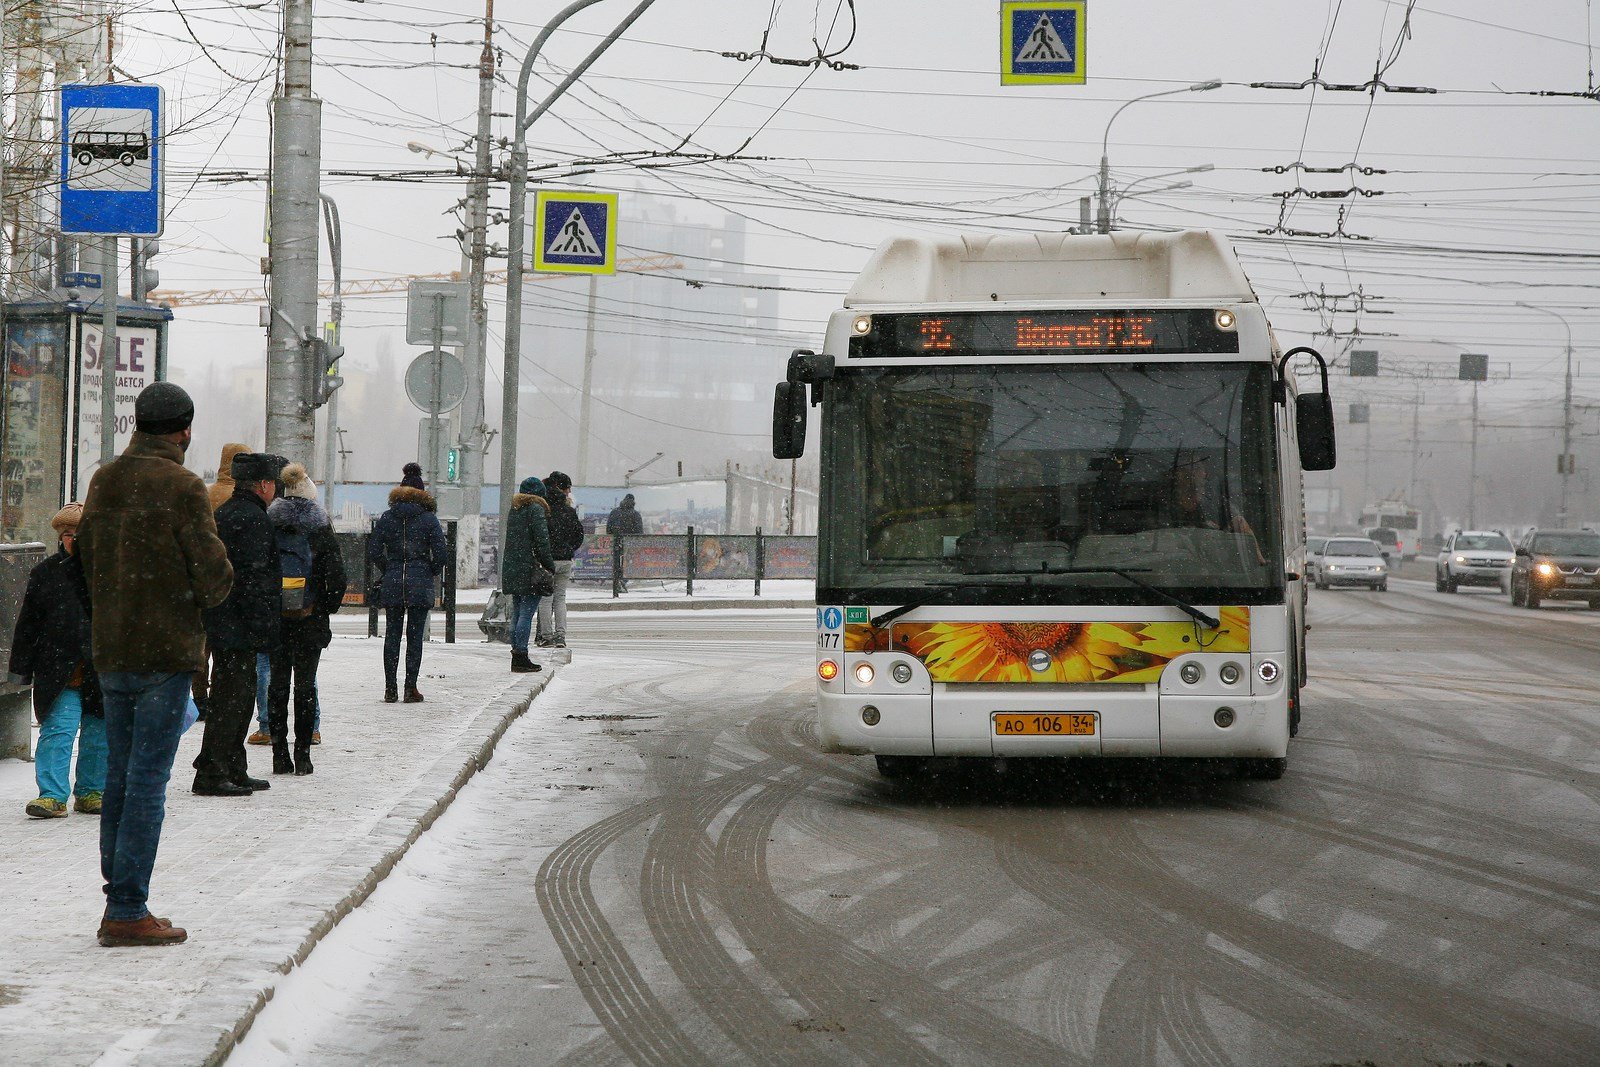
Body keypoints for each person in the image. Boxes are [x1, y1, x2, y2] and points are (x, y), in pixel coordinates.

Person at [77, 382, 232, 947]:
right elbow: (213, 580)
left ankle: (117, 893)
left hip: (113, 650)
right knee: (147, 780)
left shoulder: (105, 479)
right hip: (165, 654)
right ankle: (126, 908)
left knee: (119, 774)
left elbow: (86, 557)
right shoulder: (184, 486)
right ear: (185, 430)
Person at [197, 451, 285, 797]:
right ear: (264, 484)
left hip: (225, 622)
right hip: (239, 627)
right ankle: (212, 771)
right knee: (231, 699)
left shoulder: (229, 513)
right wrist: (264, 627)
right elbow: (254, 579)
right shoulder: (252, 519)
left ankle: (233, 765)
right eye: (274, 483)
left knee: (236, 696)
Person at [10, 502, 105, 819]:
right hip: (60, 670)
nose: (73, 540)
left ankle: (91, 791)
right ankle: (51, 795)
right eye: (67, 534)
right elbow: (28, 625)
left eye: (79, 534)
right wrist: (21, 668)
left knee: (98, 734)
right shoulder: (46, 573)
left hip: (102, 670)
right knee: (58, 733)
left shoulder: (109, 574)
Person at [266, 464, 346, 776]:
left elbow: (262, 570)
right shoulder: (320, 526)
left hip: (278, 619)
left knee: (277, 685)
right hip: (310, 618)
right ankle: (302, 755)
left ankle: (278, 754)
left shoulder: (270, 523)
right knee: (305, 686)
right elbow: (337, 577)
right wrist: (323, 607)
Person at [370, 462, 448, 703]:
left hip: (393, 581)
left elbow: (374, 550)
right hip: (419, 582)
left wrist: (390, 568)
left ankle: (390, 688)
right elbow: (441, 554)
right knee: (414, 638)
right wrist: (428, 570)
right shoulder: (428, 519)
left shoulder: (387, 517)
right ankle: (410, 688)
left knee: (392, 635)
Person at [194, 441, 251, 723]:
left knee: (202, 645)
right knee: (227, 644)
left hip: (206, 577)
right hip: (235, 580)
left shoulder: (207, 494)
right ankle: (220, 695)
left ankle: (199, 698)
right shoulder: (242, 498)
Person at [502, 476, 554, 673]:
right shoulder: (536, 509)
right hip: (530, 569)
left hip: (513, 568)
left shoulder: (515, 510)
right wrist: (549, 565)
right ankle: (522, 655)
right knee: (526, 614)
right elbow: (542, 542)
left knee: (517, 612)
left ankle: (516, 654)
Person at [537, 471, 582, 649]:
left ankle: (546, 636)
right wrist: (569, 549)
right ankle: (560, 636)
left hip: (548, 560)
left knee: (546, 599)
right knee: (560, 598)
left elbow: (539, 536)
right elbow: (579, 535)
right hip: (565, 560)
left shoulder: (543, 509)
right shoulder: (569, 511)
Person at [606, 493, 644, 592]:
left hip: (616, 542)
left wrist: (614, 537)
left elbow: (608, 529)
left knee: (617, 562)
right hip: (629, 544)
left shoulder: (614, 512)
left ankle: (617, 580)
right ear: (633, 502)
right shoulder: (635, 514)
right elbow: (639, 531)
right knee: (629, 563)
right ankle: (623, 580)